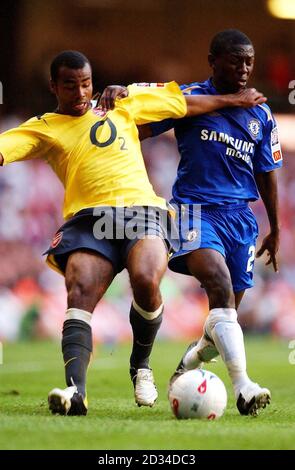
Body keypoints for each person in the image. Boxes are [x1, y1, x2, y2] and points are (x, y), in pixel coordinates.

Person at [0, 50, 266, 416]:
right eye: (69, 86)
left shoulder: (122, 102)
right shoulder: (44, 126)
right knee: (79, 290)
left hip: (143, 211)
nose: (80, 93)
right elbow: (5, 148)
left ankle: (140, 365)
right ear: (53, 87)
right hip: (90, 219)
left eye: (85, 84)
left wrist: (234, 99)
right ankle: (75, 391)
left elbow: (182, 104)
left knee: (145, 278)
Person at [102, 29, 282, 416]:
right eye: (236, 60)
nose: (245, 68)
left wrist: (276, 228)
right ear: (213, 61)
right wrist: (123, 95)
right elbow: (141, 122)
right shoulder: (190, 98)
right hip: (193, 211)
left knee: (227, 311)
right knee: (218, 285)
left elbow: (267, 172)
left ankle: (196, 356)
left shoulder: (261, 113)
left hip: (241, 219)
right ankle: (244, 387)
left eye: (249, 60)